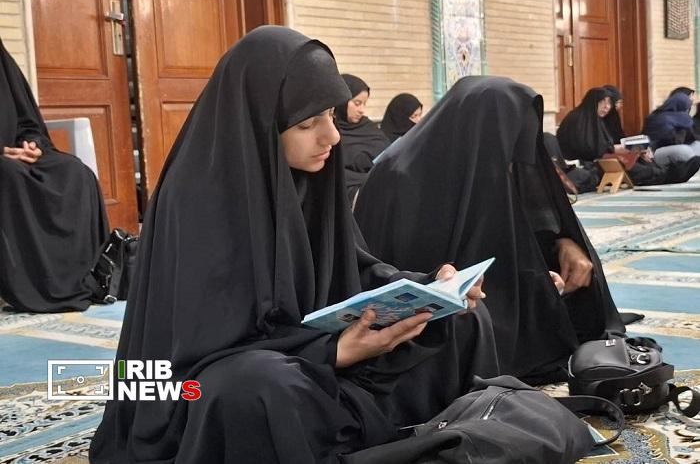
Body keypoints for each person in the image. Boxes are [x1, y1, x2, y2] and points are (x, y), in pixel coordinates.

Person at [89, 26, 499, 464]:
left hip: (312, 352)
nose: (332, 137)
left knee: (459, 322)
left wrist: (428, 287)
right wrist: (331, 353)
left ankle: (460, 434)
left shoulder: (307, 178)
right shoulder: (196, 199)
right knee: (257, 388)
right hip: (208, 380)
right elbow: (201, 348)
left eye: (331, 116)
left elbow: (350, 269)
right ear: (260, 123)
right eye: (307, 124)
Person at [354, 76, 625, 383]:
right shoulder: (402, 179)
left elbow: (514, 227)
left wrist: (562, 241)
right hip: (417, 319)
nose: (510, 168)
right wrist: (533, 287)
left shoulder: (481, 161)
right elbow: (415, 282)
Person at [0, 39, 108, 312]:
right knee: (9, 174)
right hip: (5, 163)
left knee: (74, 172)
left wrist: (31, 145)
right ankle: (32, 288)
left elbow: (26, 121)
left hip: (16, 154)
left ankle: (85, 278)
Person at [557, 88, 699, 186]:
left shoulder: (595, 120)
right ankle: (666, 175)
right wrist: (617, 149)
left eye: (609, 103)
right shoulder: (579, 120)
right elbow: (587, 148)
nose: (606, 107)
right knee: (626, 162)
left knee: (637, 156)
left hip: (601, 157)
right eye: (602, 103)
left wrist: (631, 149)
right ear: (593, 103)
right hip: (585, 163)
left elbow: (604, 145)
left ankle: (666, 173)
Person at [334, 74, 390, 200]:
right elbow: (336, 173)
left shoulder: (368, 127)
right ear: (342, 101)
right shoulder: (331, 132)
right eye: (357, 103)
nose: (362, 110)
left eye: (364, 104)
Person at [643, 89, 700, 167]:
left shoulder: (679, 118)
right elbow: (670, 141)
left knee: (697, 145)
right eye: (687, 107)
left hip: (672, 147)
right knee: (684, 151)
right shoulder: (661, 118)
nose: (688, 110)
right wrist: (683, 127)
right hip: (654, 152)